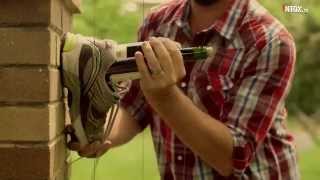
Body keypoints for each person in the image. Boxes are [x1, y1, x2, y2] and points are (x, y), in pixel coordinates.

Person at [63, 0, 300, 179]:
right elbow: (135, 108)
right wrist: (98, 135)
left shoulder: (270, 40)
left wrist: (166, 96)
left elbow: (231, 157)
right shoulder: (156, 23)